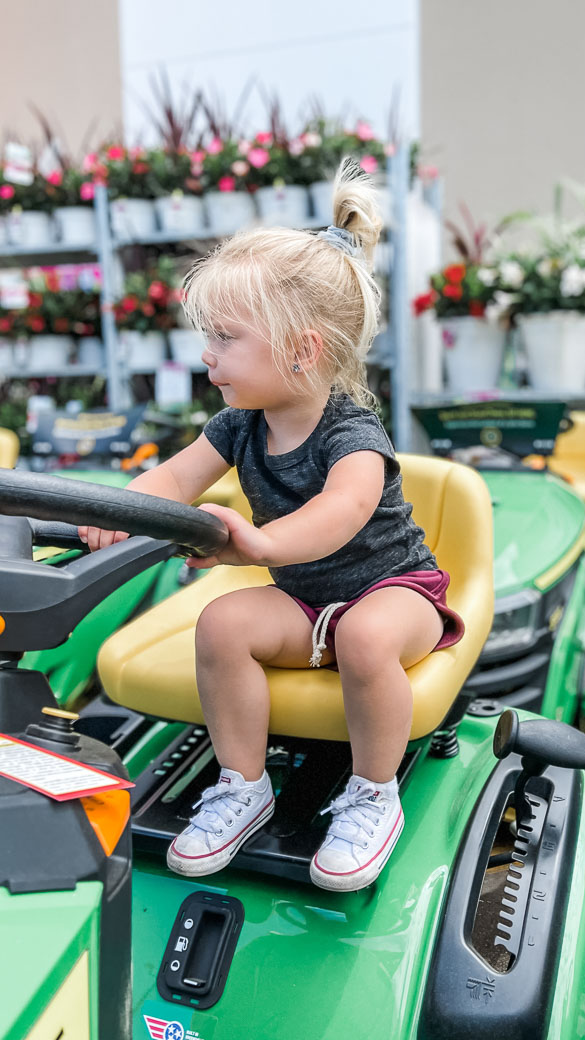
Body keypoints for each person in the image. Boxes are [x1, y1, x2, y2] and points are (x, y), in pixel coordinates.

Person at [79, 158, 463, 892]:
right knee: (222, 624)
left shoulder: (353, 435)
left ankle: (373, 795)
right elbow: (173, 477)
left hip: (395, 592)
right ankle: (241, 786)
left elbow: (337, 517)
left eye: (225, 338)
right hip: (304, 601)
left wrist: (256, 545)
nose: (207, 355)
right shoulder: (238, 424)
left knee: (364, 634)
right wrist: (115, 514)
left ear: (302, 349)